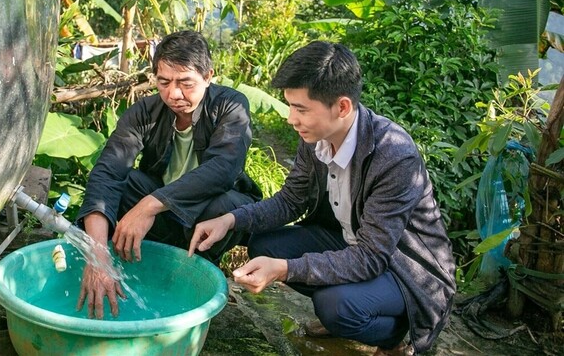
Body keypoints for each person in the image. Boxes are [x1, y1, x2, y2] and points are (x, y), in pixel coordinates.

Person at [188, 41, 456, 356]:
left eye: (301, 109)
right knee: (265, 245)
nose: (291, 118)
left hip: (402, 267)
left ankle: (395, 334)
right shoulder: (316, 138)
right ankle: (354, 303)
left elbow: (372, 257)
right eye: (290, 106)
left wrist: (285, 269)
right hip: (349, 241)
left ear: (342, 107)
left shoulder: (394, 155)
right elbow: (290, 201)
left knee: (335, 306)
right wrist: (230, 220)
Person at [75, 30, 262, 319]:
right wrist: (96, 254)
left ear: (208, 76)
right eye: (164, 82)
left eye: (186, 83)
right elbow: (108, 173)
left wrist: (149, 206)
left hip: (209, 213)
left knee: (223, 205)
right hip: (166, 214)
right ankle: (123, 264)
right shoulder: (145, 112)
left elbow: (223, 170)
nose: (173, 94)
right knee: (123, 184)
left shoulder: (230, 105)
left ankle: (197, 275)